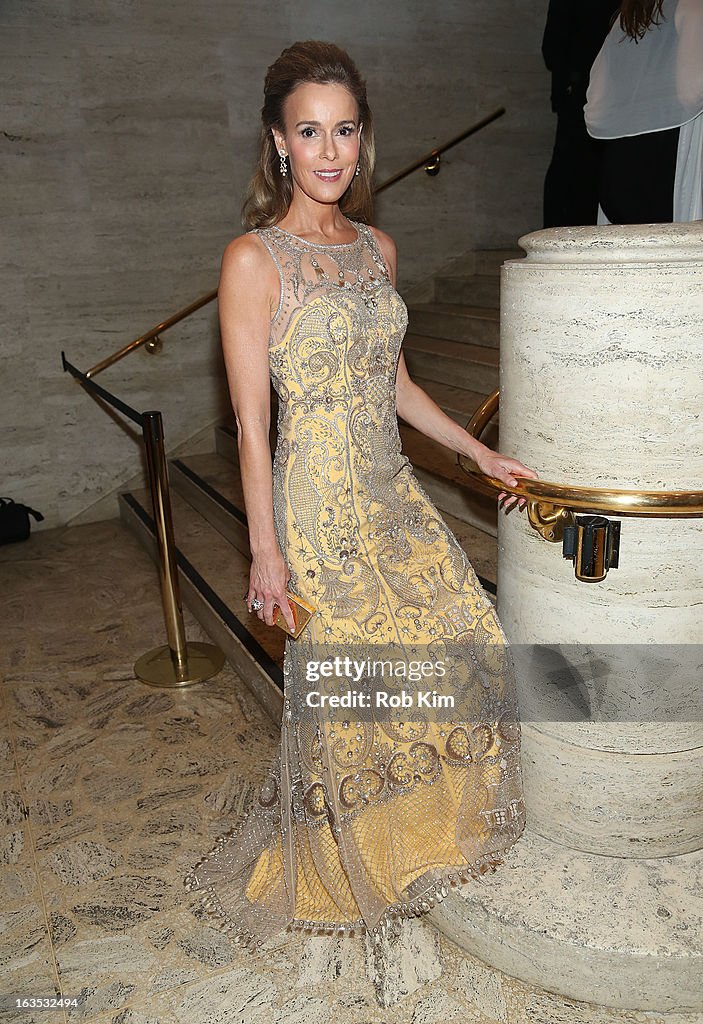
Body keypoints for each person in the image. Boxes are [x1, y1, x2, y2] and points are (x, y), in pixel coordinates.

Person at [184, 40, 539, 953]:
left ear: (362, 138)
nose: (330, 151)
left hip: (391, 491)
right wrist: (265, 548)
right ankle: (363, 856)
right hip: (317, 508)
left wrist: (477, 453)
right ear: (277, 143)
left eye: (344, 130)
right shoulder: (252, 262)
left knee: (461, 635)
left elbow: (398, 388)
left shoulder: (378, 249)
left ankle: (425, 831)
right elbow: (251, 426)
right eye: (310, 132)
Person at [585, 0, 703, 223]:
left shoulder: (625, 17)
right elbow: (692, 92)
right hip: (668, 167)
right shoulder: (693, 6)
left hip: (619, 168)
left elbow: (595, 111)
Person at [541, 0, 621, 227]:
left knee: (586, 173)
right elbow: (552, 48)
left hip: (596, 96)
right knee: (573, 172)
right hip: (581, 97)